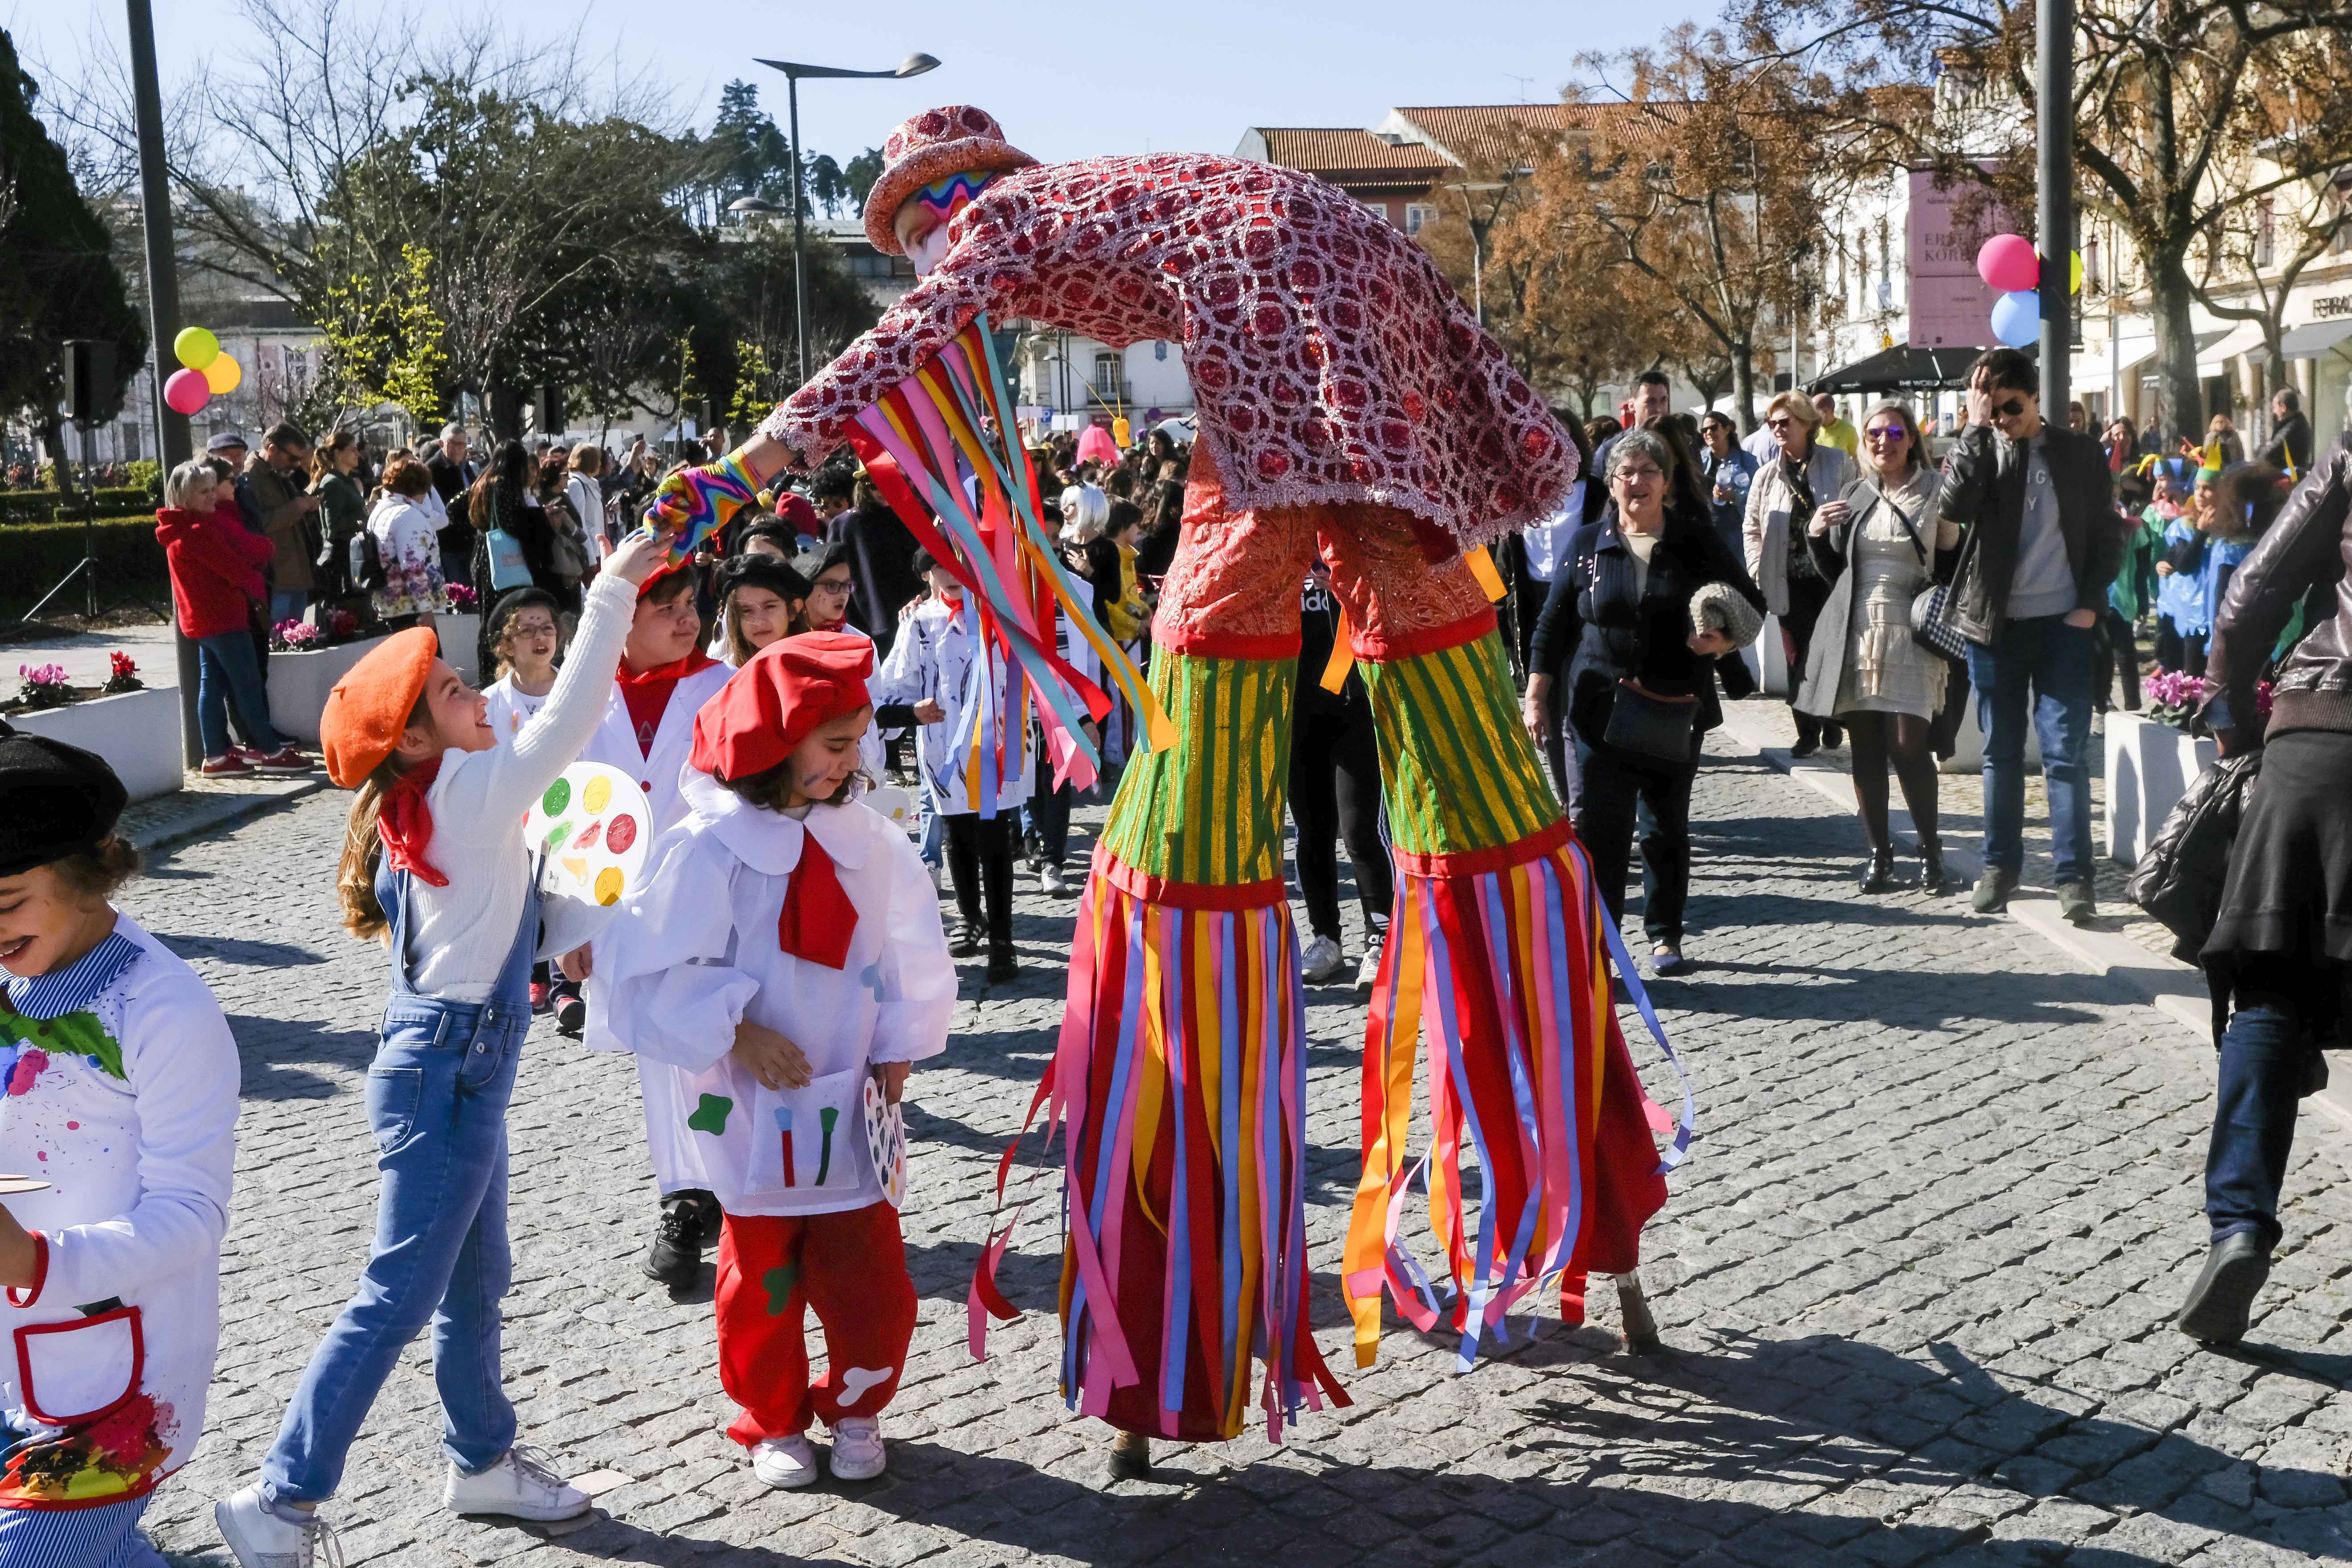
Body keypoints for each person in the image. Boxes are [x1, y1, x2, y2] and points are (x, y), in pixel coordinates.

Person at [647, 105, 1677, 1468]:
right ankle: (1597, 1235)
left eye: (911, 232)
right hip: (1369, 333)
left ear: (938, 201)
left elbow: (902, 347)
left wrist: (753, 461)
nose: (924, 264)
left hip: (1276, 370)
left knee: (1189, 821)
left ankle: (1168, 1357)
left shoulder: (996, 223)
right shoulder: (1128, 196)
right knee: (1490, 815)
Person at [213, 525, 674, 1568]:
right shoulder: (468, 793)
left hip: (452, 1065)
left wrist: (582, 914)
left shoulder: (434, 802)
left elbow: (529, 921)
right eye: (456, 692)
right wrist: (609, 588)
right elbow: (570, 721)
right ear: (419, 739)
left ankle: (482, 1463)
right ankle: (281, 1501)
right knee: (399, 1293)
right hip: (447, 1074)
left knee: (474, 1279)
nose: (477, 696)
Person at [597, 634, 953, 1488]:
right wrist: (734, 1031)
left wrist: (899, 1043)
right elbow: (648, 970)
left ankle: (859, 1400)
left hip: (848, 1090)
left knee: (868, 1275)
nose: (851, 761)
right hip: (748, 1101)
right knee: (761, 1276)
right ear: (776, 743)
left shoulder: (866, 839)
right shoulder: (711, 846)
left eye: (856, 743)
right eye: (835, 745)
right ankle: (775, 1414)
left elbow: (909, 942)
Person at [0, 726, 239, 1565]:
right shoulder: (8, 978)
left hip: (112, 1390)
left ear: (91, 870)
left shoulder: (163, 1007)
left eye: (6, 904)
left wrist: (33, 1259)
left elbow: (192, 1216)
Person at [2174, 424, 2352, 1347]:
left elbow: (2252, 589)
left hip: (2322, 731)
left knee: (2270, 990)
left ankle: (2240, 1222)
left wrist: (2226, 706)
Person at [1526, 425, 1765, 975]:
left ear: (1667, 481)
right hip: (1597, 712)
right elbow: (1553, 623)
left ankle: (1665, 936)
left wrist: (1722, 639)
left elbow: (1752, 600)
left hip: (1673, 707)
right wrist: (1537, 696)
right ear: (1610, 485)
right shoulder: (1588, 543)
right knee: (1599, 833)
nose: (1638, 481)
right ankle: (1601, 945)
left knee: (1663, 827)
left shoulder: (1695, 538)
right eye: (1626, 473)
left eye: (1649, 471)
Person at [575, 563, 736, 1286]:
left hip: (713, 903)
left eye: (689, 605)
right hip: (624, 912)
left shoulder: (722, 684)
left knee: (716, 1042)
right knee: (657, 1053)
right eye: (665, 609)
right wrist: (569, 918)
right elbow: (569, 805)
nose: (686, 619)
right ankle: (684, 1195)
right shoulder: (585, 697)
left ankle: (736, 1188)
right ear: (622, 623)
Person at [1935, 346, 2121, 924]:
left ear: (2034, 396)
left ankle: (2074, 880)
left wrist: (2088, 606)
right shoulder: (1984, 449)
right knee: (2000, 752)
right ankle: (1999, 867)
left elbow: (2107, 537)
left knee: (2065, 754)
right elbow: (1953, 505)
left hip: (2065, 626)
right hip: (1995, 628)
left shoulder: (2077, 453)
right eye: (1992, 409)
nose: (2003, 418)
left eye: (2010, 406)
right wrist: (1972, 430)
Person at [1795, 400, 1959, 892]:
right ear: (1863, 443)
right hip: (1858, 628)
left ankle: (1931, 852)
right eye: (1873, 435)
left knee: (1910, 745)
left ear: (1911, 438)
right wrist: (1817, 534)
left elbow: (1952, 560)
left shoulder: (1936, 490)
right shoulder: (1855, 493)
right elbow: (1836, 574)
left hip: (1911, 625)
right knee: (1865, 748)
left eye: (1892, 432)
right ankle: (1879, 854)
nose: (1882, 442)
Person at [878, 550, 1027, 980]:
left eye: (959, 563)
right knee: (957, 837)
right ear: (928, 572)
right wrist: (910, 710)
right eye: (940, 565)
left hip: (996, 744)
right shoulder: (920, 620)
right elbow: (896, 680)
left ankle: (1003, 938)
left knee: (995, 839)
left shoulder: (1001, 614)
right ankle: (969, 919)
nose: (950, 574)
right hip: (943, 747)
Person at [154, 459, 311, 778]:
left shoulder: (182, 529)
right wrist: (256, 575)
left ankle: (216, 755)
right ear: (185, 497)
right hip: (224, 618)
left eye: (214, 489)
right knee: (247, 684)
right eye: (204, 492)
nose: (213, 497)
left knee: (213, 686)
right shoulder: (200, 530)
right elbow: (237, 569)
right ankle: (270, 750)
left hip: (205, 622)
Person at [1291, 562, 1393, 994]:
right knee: (1311, 831)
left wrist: (1345, 583)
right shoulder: (1275, 545)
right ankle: (1326, 938)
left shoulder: (1346, 539)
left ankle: (1380, 937)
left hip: (1354, 706)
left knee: (1360, 831)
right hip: (1297, 707)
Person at [1745, 389, 1854, 758]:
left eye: (1784, 422)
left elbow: (1853, 516)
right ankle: (1806, 731)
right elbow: (1752, 528)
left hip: (1828, 578)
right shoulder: (1765, 476)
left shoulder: (1838, 463)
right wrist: (1757, 568)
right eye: (1771, 423)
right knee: (1797, 659)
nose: (1777, 429)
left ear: (1806, 424)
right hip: (1785, 580)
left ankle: (1831, 718)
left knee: (1828, 654)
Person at [244, 423, 321, 627]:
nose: (297, 465)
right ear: (272, 450)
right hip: (276, 579)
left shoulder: (281, 474)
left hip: (297, 575)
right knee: (278, 648)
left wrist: (309, 508)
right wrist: (298, 507)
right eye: (293, 458)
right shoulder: (251, 477)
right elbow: (256, 524)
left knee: (296, 643)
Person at [367, 454, 446, 628]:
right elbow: (413, 566)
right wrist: (426, 609)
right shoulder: (409, 516)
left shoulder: (380, 510)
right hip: (413, 611)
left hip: (392, 605)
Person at [479, 587, 564, 743]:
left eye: (547, 628)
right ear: (507, 645)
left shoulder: (574, 691)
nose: (540, 637)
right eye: (527, 631)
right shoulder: (489, 702)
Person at [1585, 371, 1672, 523]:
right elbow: (1595, 496)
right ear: (1632, 405)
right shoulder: (1612, 447)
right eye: (1651, 402)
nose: (1659, 409)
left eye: (1663, 401)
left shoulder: (1680, 445)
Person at [717, 553, 812, 666]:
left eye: (770, 607)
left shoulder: (815, 667)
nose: (759, 621)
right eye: (747, 611)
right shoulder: (726, 676)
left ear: (793, 609)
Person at [311, 429, 368, 610]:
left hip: (353, 556)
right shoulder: (332, 483)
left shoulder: (347, 480)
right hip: (341, 561)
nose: (358, 454)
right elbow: (332, 528)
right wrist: (363, 514)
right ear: (338, 453)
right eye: (352, 450)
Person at [1698, 411, 1758, 560]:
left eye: (1713, 428)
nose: (1709, 433)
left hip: (1737, 533)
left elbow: (1759, 496)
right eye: (1704, 430)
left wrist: (1734, 497)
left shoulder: (1747, 461)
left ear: (1727, 429)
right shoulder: (1698, 460)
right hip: (1706, 531)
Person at [427, 424, 478, 585]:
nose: (458, 448)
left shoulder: (466, 467)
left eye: (462, 444)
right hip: (448, 543)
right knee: (457, 592)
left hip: (470, 539)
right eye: (453, 443)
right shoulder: (432, 470)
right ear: (442, 444)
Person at [2257, 386, 2311, 476]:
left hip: (2290, 477)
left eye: (2275, 407)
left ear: (2283, 408)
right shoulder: (2297, 423)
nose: (2274, 412)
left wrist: (2258, 455)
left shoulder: (2292, 428)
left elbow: (2270, 453)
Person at [1813, 392, 1861, 459]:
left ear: (1827, 411)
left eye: (1816, 413)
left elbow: (1858, 459)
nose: (1813, 417)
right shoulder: (1812, 429)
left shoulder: (1848, 430)